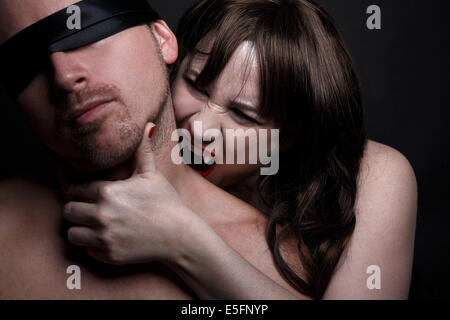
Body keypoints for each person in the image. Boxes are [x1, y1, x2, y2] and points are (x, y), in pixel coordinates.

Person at [60, 0, 418, 300]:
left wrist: (180, 240)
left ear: (288, 136)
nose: (199, 127)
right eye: (196, 84)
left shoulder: (377, 174)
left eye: (243, 114)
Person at [0, 0, 308, 299]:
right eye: (25, 61)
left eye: (86, 31)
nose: (64, 77)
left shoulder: (280, 261)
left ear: (162, 39)